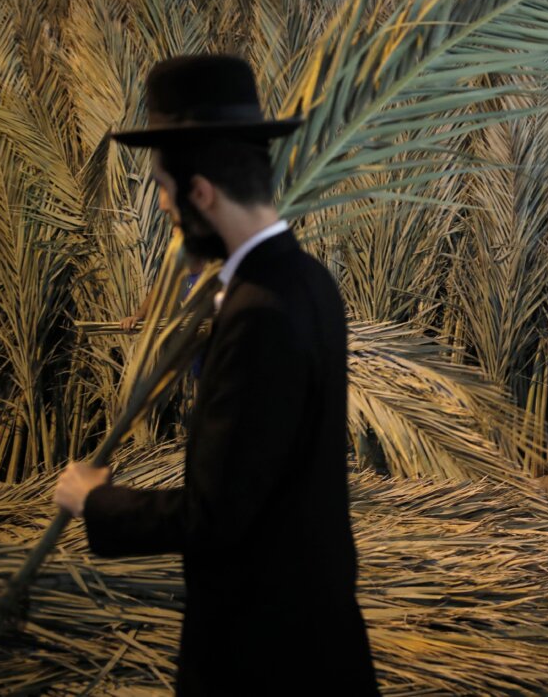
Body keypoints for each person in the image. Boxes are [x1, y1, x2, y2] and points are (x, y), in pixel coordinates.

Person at [54, 55, 379, 693]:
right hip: (319, 634)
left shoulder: (260, 313)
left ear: (202, 192)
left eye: (165, 190)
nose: (167, 207)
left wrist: (94, 500)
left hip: (264, 656)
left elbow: (216, 515)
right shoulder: (310, 281)